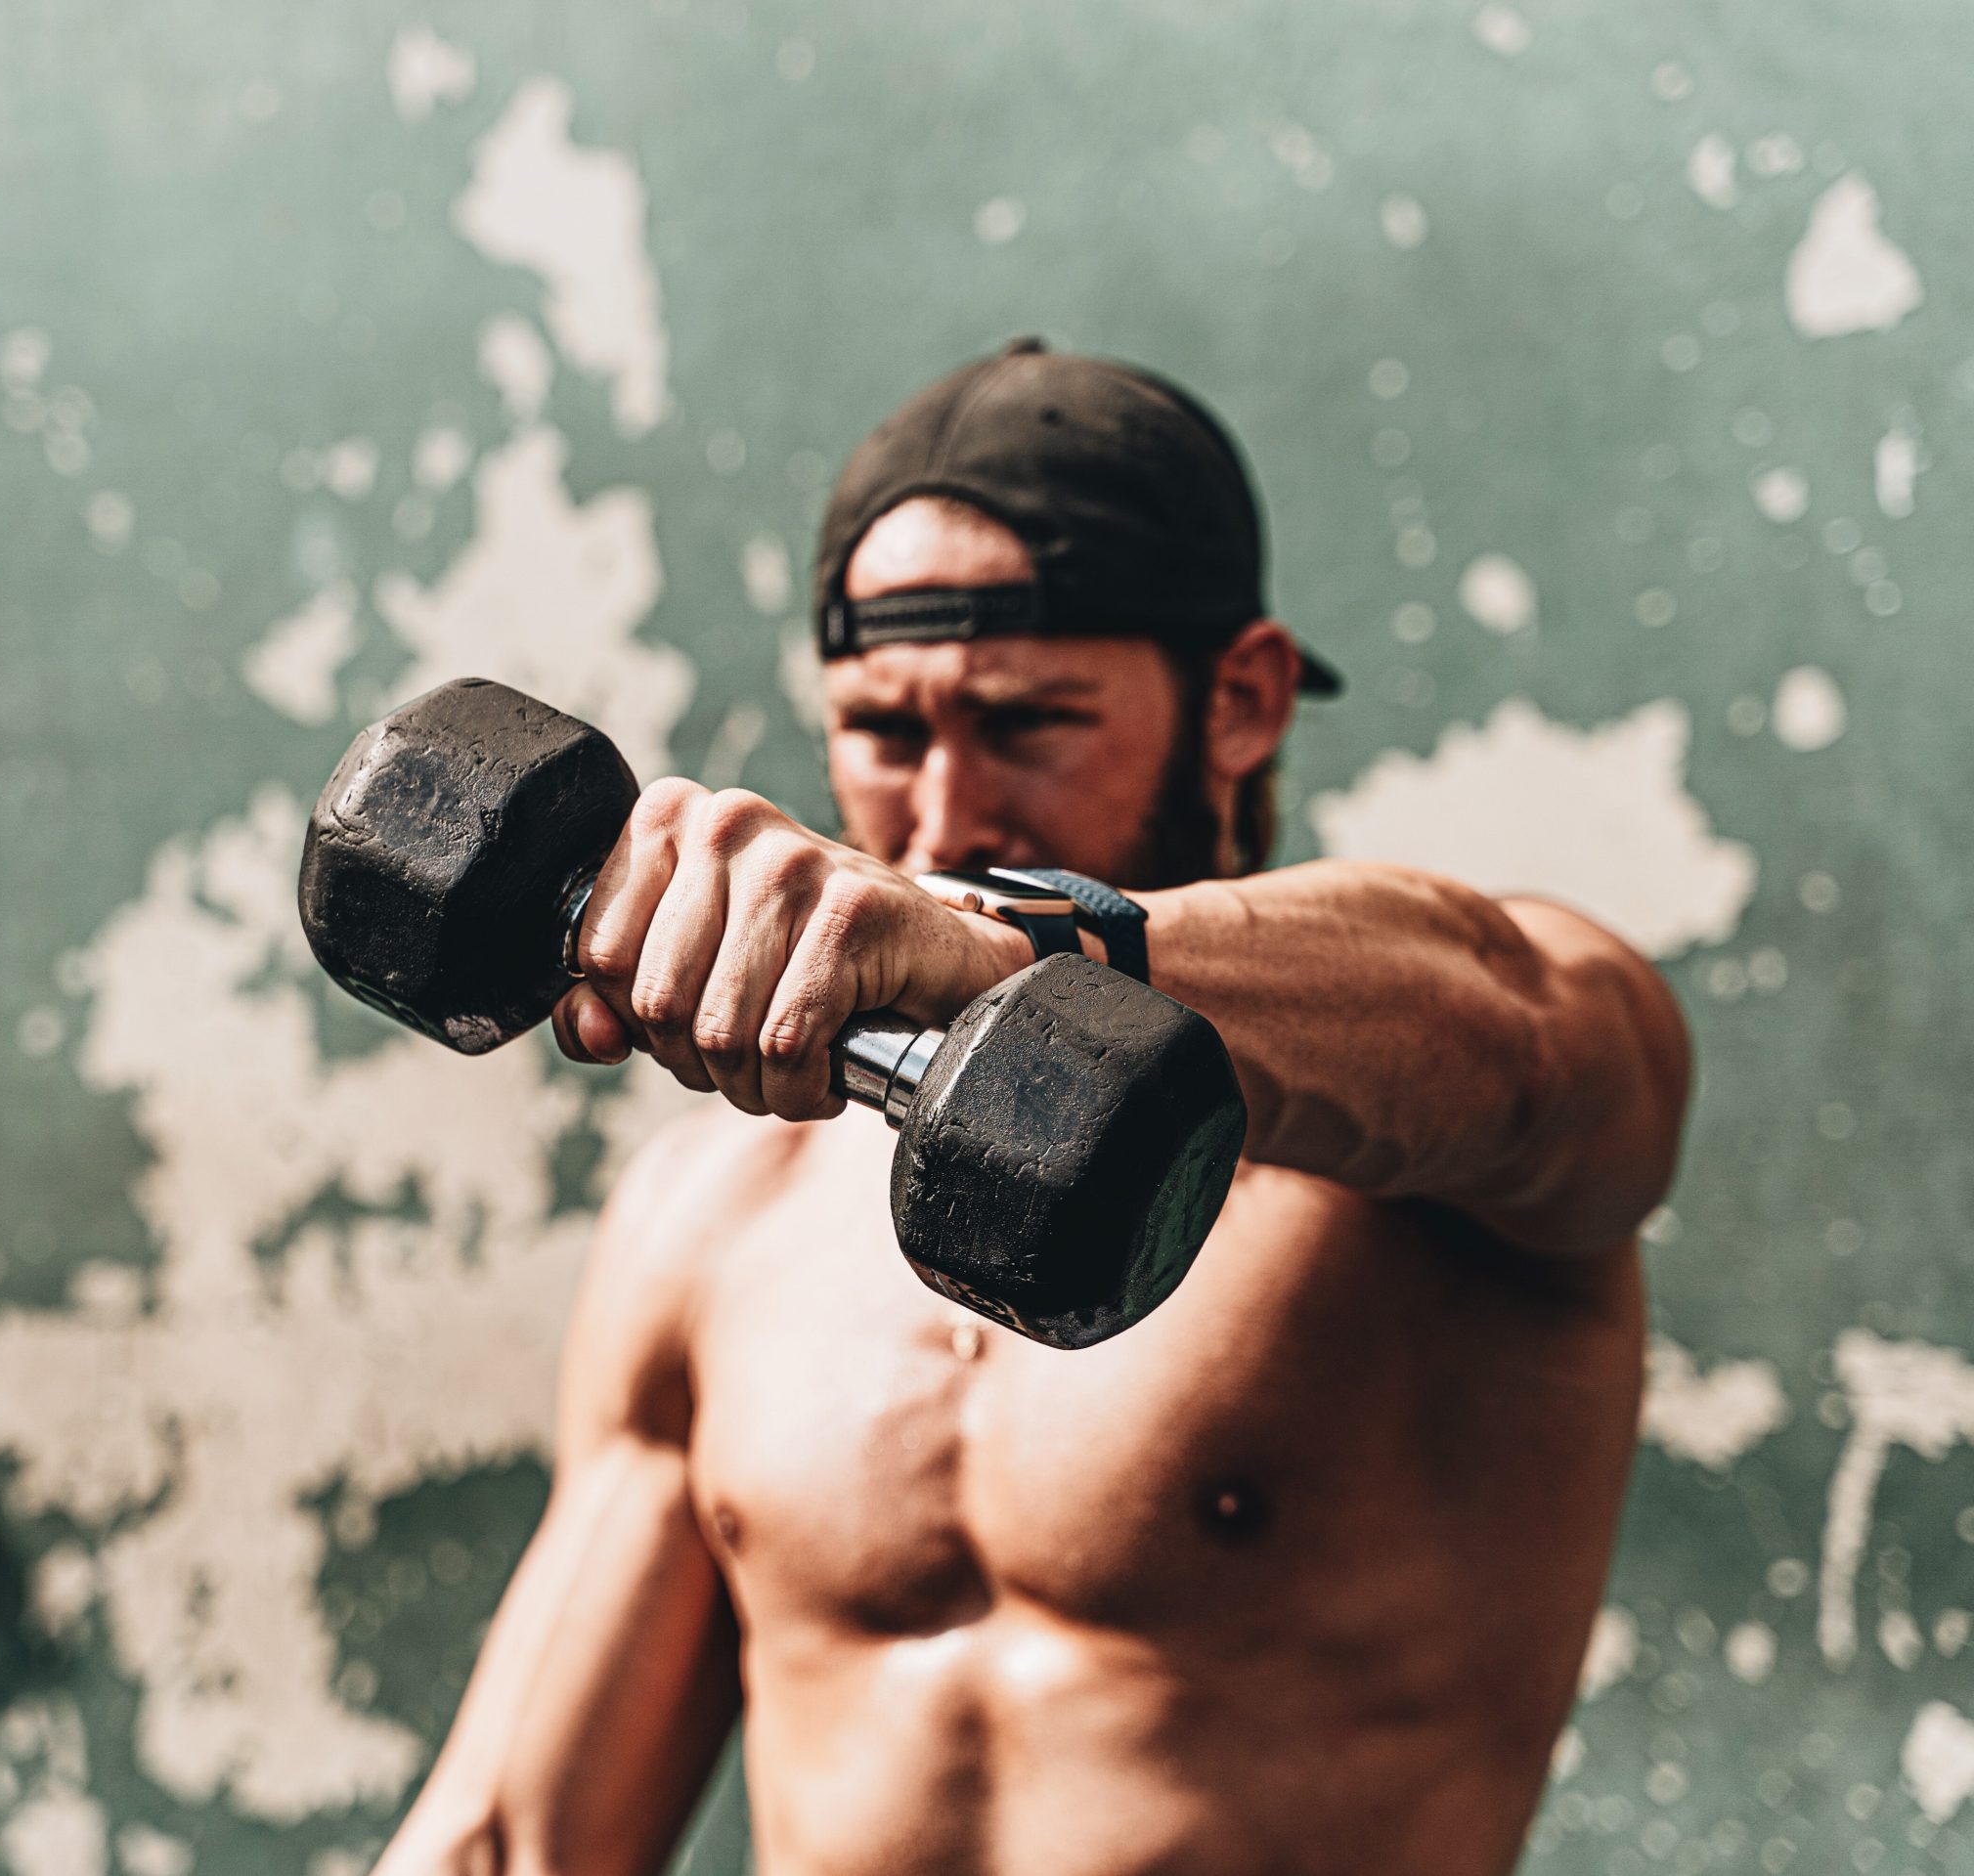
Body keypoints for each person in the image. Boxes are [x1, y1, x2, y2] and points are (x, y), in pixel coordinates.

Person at [373, 339, 1689, 1876]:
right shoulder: (708, 1223)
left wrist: (1024, 951)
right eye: (883, 730)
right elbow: (516, 1839)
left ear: (1244, 700)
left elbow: (1518, 1020)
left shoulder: (1441, 1149)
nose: (942, 816)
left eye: (1028, 721)